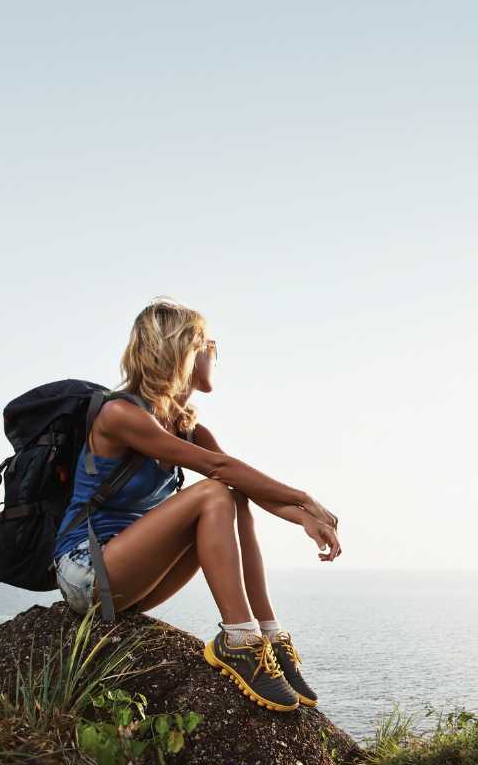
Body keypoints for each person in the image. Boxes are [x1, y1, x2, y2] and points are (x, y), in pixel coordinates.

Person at [50, 297, 342, 713]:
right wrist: (304, 497)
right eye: (208, 344)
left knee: (232, 492)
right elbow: (216, 466)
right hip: (86, 571)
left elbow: (246, 486)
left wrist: (306, 519)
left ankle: (269, 637)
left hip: (132, 579)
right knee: (215, 490)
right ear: (180, 350)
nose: (214, 354)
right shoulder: (120, 414)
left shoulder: (188, 428)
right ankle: (239, 640)